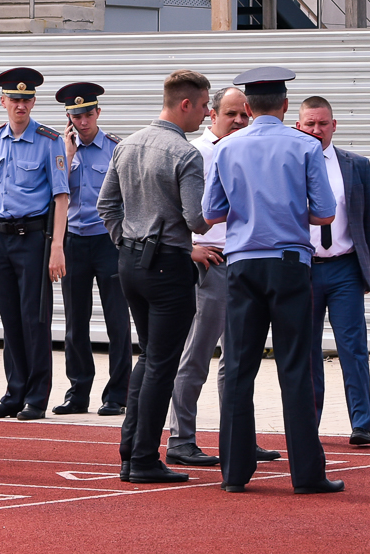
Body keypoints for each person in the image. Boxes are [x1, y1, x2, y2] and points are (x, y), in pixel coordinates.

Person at [203, 66, 343, 494]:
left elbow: (211, 213)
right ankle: (307, 475)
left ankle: (235, 473)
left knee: (240, 368)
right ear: (285, 106)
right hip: (289, 263)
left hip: (243, 264)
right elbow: (325, 213)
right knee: (296, 367)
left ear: (246, 108)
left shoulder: (227, 147)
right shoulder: (305, 145)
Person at [96, 69, 211, 484]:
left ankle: (132, 452)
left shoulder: (126, 144)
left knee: (148, 356)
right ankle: (142, 458)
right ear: (185, 104)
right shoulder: (185, 153)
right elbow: (197, 220)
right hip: (167, 264)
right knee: (161, 361)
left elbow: (105, 205)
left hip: (131, 262)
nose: (205, 114)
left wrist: (126, 241)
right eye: (202, 106)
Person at [164, 87, 282, 468]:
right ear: (211, 114)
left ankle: (239, 438)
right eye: (230, 114)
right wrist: (189, 250)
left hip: (246, 261)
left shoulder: (249, 150)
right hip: (209, 263)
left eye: (243, 115)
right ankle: (182, 439)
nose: (238, 121)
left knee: (240, 358)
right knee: (196, 354)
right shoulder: (196, 152)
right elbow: (172, 211)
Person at [0, 68, 69, 422]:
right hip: (2, 238)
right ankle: (14, 393)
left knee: (35, 319)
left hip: (34, 240)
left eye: (26, 100)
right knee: (9, 319)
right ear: (3, 102)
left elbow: (61, 197)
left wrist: (57, 246)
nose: (21, 105)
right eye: (14, 99)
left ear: (33, 102)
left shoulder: (49, 140)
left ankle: (36, 397)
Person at [53, 82, 131, 418]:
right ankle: (78, 392)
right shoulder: (59, 150)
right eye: (76, 115)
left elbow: (130, 195)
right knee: (75, 322)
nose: (82, 121)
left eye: (87, 114)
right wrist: (67, 156)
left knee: (117, 321)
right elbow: (53, 195)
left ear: (98, 112)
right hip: (73, 240)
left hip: (108, 240)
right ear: (68, 117)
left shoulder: (116, 148)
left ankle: (117, 393)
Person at [296, 96, 370, 448]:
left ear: (334, 125)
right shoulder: (288, 165)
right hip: (303, 270)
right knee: (306, 350)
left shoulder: (357, 166)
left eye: (322, 123)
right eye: (309, 123)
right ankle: (310, 424)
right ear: (298, 126)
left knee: (354, 348)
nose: (316, 130)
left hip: (344, 268)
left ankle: (364, 424)